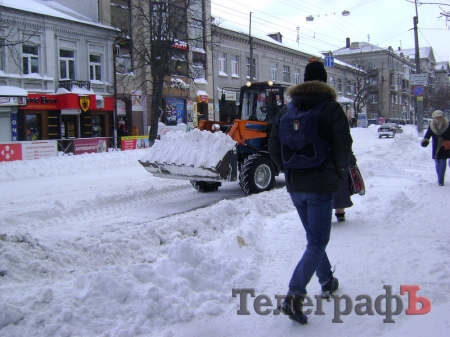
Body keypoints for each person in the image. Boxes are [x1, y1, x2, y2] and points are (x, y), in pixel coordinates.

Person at [269, 60, 353, 324]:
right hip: (320, 185)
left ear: (303, 81)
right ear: (324, 81)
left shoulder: (287, 110)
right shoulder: (331, 107)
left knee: (314, 238)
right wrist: (338, 176)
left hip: (296, 186)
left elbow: (273, 147)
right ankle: (294, 296)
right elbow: (343, 147)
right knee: (317, 241)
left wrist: (288, 170)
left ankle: (327, 280)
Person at [421, 110, 450, 186]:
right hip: (436, 146)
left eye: (440, 117)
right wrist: (425, 141)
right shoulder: (432, 125)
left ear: (442, 117)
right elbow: (428, 135)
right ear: (434, 117)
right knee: (437, 163)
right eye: (436, 117)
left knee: (443, 162)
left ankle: (441, 181)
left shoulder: (447, 124)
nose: (438, 118)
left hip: (445, 146)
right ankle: (439, 178)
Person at [333, 153, 357, 222]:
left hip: (322, 166)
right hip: (341, 164)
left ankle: (324, 215)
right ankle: (340, 214)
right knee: (341, 190)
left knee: (324, 194)